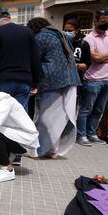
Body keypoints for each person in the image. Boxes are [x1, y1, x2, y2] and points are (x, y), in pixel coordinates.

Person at [26, 17, 80, 158]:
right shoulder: (60, 34)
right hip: (71, 79)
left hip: (52, 81)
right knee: (60, 117)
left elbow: (34, 60)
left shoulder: (41, 37)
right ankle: (53, 150)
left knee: (46, 117)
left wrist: (33, 82)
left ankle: (38, 150)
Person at [0, 11, 41, 112]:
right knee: (20, 115)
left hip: (2, 80)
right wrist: (35, 82)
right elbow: (36, 58)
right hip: (24, 80)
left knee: (2, 113)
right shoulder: (27, 32)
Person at [76, 8, 108, 146]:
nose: (106, 23)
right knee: (86, 109)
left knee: (99, 110)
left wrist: (103, 57)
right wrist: (101, 57)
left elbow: (100, 57)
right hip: (92, 80)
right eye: (103, 21)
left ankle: (92, 133)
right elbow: (95, 58)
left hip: (107, 79)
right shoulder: (89, 39)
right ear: (95, 21)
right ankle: (81, 135)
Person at [63, 18, 91, 83]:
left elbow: (87, 64)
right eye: (65, 30)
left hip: (76, 80)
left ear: (77, 30)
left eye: (70, 31)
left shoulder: (83, 44)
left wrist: (75, 66)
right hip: (62, 80)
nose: (67, 33)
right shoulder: (61, 43)